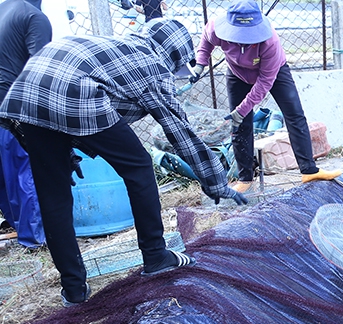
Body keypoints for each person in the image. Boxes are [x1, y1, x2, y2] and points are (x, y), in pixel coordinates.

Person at [0, 18, 247, 306]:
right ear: (173, 53)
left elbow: (51, 94)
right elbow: (182, 133)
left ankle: (73, 289)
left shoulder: (121, 46)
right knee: (139, 166)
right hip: (73, 91)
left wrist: (63, 155)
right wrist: (216, 184)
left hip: (26, 91)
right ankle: (156, 256)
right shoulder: (154, 67)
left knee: (53, 194)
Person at [190, 0, 342, 192]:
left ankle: (309, 170)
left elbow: (264, 84)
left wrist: (242, 109)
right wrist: (200, 64)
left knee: (294, 113)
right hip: (237, 73)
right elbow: (206, 42)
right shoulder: (215, 27)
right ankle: (245, 178)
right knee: (240, 124)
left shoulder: (270, 41)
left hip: (274, 73)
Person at [0, 0, 51, 248]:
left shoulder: (4, 9)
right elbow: (41, 71)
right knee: (25, 171)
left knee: (4, 175)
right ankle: (35, 239)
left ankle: (20, 228)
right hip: (11, 106)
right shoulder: (33, 17)